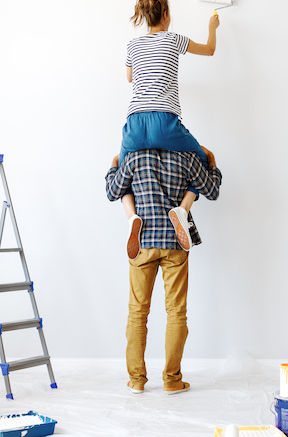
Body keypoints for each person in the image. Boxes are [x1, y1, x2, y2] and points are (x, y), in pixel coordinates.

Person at [105, 147, 222, 395]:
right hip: (174, 242)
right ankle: (172, 379)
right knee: (176, 312)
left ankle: (136, 380)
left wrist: (114, 165)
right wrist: (211, 164)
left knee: (137, 312)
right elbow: (212, 191)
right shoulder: (187, 155)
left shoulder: (135, 156)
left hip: (143, 242)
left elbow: (112, 191)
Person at [119, 0, 220, 260]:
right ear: (166, 14)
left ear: (145, 16)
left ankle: (132, 218)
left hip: (135, 125)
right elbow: (210, 50)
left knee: (120, 172)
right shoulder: (173, 40)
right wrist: (212, 25)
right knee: (202, 162)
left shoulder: (132, 45)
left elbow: (130, 78)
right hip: (166, 123)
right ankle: (182, 210)